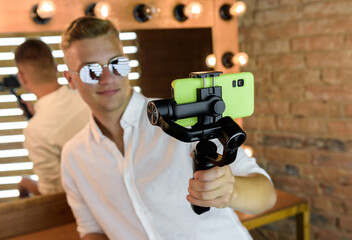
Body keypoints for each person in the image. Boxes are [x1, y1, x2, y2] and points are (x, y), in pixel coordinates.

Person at [60, 16, 276, 240]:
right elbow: (92, 230)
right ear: (70, 79)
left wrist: (233, 191)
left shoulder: (185, 118)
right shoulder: (74, 156)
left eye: (117, 64)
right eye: (90, 71)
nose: (107, 77)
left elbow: (266, 195)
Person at [14, 39, 90, 197]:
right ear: (56, 68)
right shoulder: (87, 96)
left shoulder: (35, 131)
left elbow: (53, 194)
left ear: (21, 77)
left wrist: (26, 183)